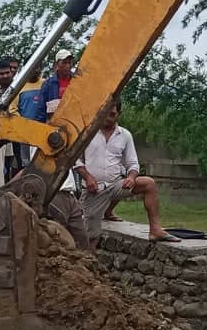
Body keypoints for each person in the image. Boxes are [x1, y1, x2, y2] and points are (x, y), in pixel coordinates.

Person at [73, 96, 176, 243]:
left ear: (119, 114)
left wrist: (131, 177)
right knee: (90, 237)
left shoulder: (125, 135)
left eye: (112, 114)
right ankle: (89, 260)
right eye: (105, 112)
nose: (108, 117)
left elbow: (133, 163)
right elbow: (75, 159)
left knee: (149, 183)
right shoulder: (87, 132)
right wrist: (87, 177)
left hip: (116, 186)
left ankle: (155, 230)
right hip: (94, 189)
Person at [33, 50, 75, 121]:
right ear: (56, 64)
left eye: (69, 62)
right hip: (53, 123)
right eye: (64, 62)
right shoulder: (48, 84)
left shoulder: (76, 81)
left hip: (73, 122)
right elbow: (41, 108)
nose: (67, 66)